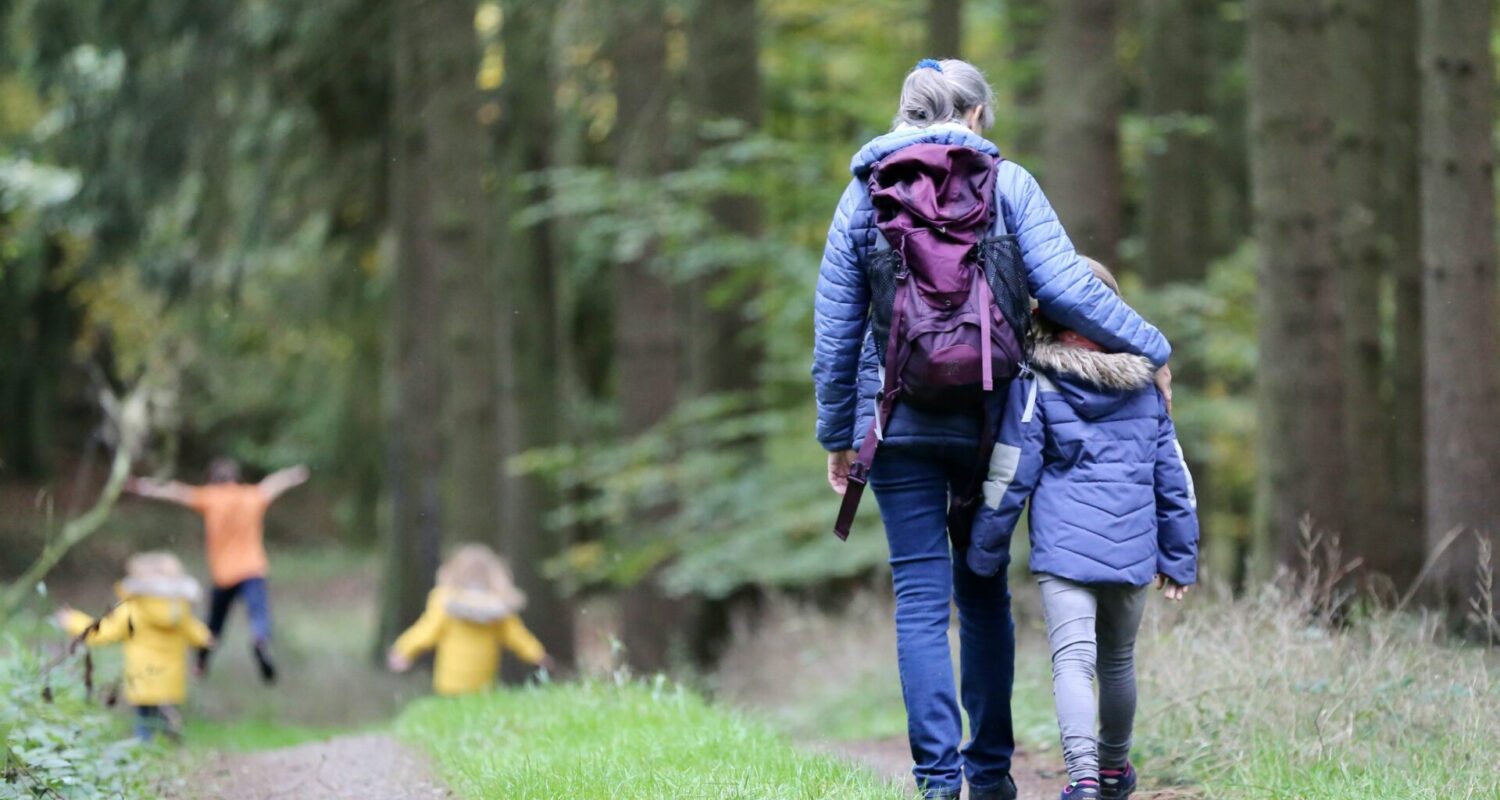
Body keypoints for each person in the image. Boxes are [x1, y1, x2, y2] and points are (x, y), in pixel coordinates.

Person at [812, 59, 1173, 800]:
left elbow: (836, 331)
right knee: (982, 592)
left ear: (904, 114)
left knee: (918, 596)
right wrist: (1153, 347)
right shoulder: (1010, 185)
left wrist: (837, 436)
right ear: (976, 114)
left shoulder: (862, 195)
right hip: (994, 422)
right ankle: (990, 776)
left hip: (897, 420)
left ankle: (939, 784)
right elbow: (1069, 288)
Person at [967, 259, 1199, 800]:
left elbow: (1010, 472)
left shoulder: (1036, 382)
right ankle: (1116, 771)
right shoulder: (1147, 387)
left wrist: (985, 548)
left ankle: (1084, 780)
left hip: (1064, 553)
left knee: (1073, 662)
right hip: (1134, 551)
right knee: (1118, 662)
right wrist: (1179, 556)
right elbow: (1174, 478)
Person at [124, 458, 309, 682]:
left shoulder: (210, 497)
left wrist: (142, 486)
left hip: (224, 575)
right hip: (253, 569)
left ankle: (201, 663)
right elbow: (272, 484)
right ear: (235, 479)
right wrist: (293, 474)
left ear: (212, 480)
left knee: (214, 623)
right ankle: (260, 640)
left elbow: (175, 492)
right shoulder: (251, 495)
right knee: (259, 613)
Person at [54, 551, 215, 741]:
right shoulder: (179, 610)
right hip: (170, 678)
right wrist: (207, 638)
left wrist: (73, 620)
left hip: (144, 677)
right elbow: (198, 633)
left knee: (144, 719)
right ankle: (168, 733)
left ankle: (146, 745)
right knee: (160, 711)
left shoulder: (134, 608)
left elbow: (103, 631)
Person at [386, 544, 554, 695]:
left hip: (449, 681)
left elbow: (426, 631)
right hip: (483, 682)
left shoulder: (445, 600)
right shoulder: (498, 606)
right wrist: (537, 654)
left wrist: (403, 650)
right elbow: (517, 635)